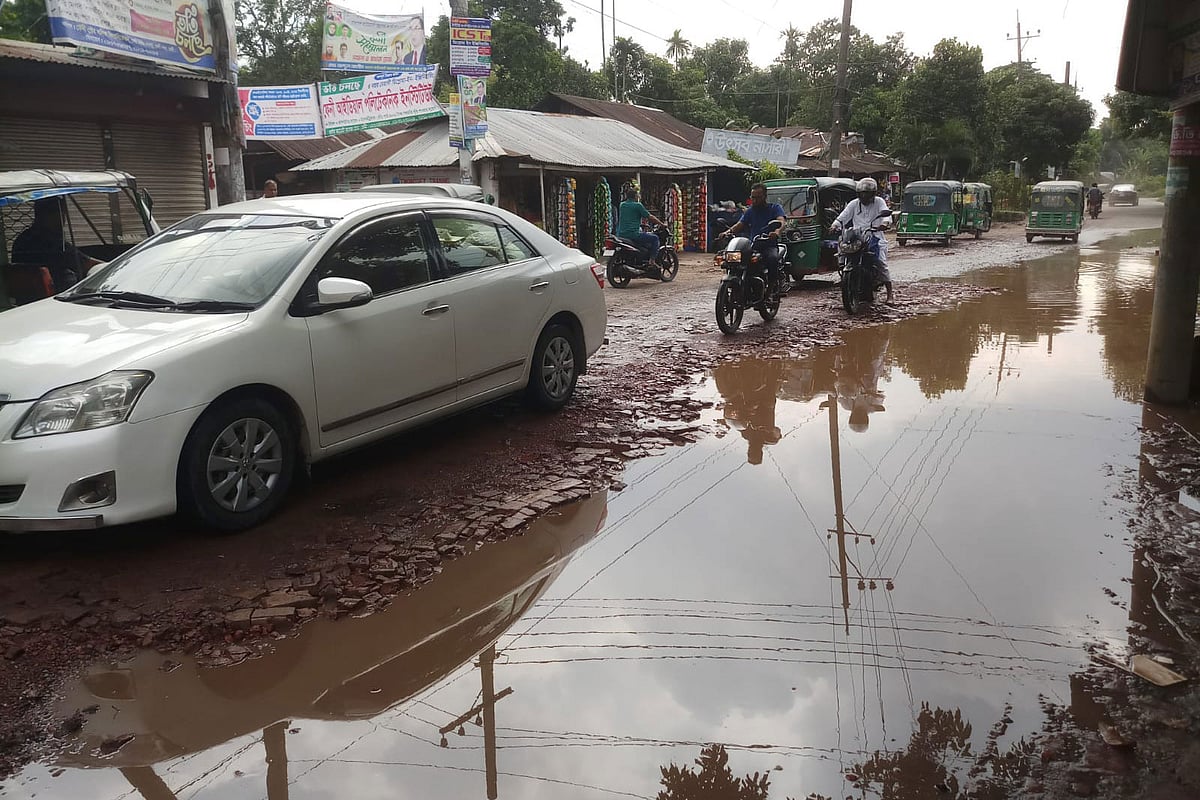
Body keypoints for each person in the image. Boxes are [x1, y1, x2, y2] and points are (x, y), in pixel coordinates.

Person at [11, 198, 100, 290]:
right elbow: (88, 264)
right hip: (61, 294)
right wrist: (113, 268)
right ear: (43, 216)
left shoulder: (23, 238)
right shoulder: (52, 242)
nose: (62, 219)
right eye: (59, 214)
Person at [830, 177, 894, 303]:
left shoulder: (879, 202)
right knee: (842, 247)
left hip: (875, 236)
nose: (864, 196)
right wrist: (835, 225)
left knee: (881, 262)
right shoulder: (854, 203)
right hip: (857, 236)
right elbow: (843, 216)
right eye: (862, 193)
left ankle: (890, 293)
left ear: (873, 194)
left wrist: (885, 223)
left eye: (867, 193)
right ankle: (845, 274)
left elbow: (886, 215)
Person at [721, 182, 786, 287]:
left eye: (758, 197)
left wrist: (777, 231)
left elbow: (781, 222)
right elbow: (740, 225)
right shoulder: (750, 211)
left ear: (764, 197)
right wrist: (727, 232)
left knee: (772, 258)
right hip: (753, 246)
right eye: (753, 197)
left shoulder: (775, 208)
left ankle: (771, 287)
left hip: (768, 245)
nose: (754, 200)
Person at [616, 187, 665, 260]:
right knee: (655, 238)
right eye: (638, 195)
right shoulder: (638, 205)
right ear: (635, 196)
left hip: (621, 234)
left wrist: (641, 224)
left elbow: (630, 218)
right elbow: (650, 217)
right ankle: (652, 261)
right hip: (633, 235)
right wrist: (661, 224)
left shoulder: (622, 205)